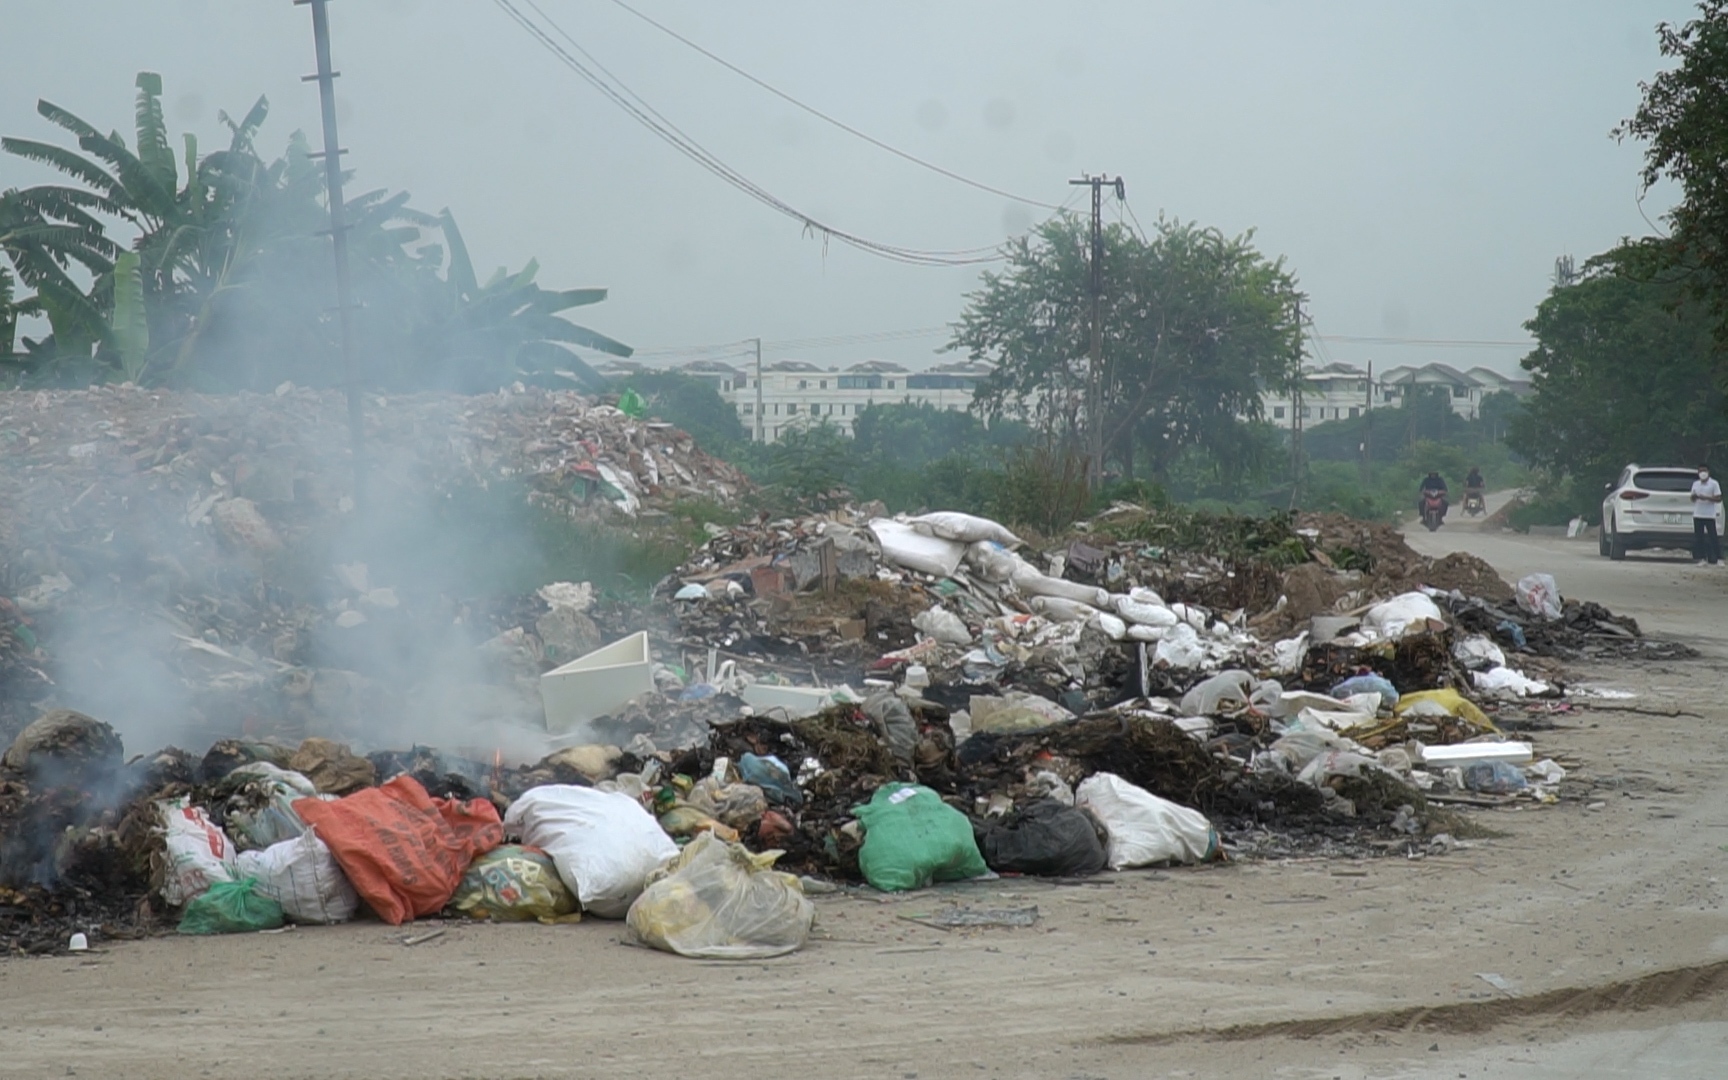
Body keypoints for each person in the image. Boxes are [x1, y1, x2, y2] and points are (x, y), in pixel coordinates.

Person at [1691, 465, 1723, 566]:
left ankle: (1719, 558)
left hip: (1709, 515)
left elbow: (1718, 498)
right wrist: (1694, 497)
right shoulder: (1695, 484)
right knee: (1699, 537)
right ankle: (1702, 558)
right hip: (1698, 514)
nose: (1702, 473)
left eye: (1704, 470)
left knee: (1713, 536)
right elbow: (1692, 499)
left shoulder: (1714, 483)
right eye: (1700, 471)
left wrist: (1707, 498)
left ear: (1708, 471)